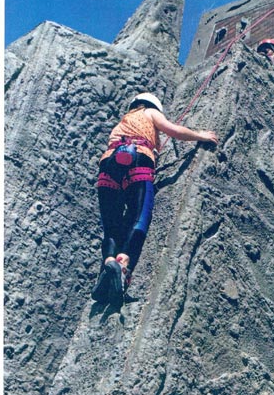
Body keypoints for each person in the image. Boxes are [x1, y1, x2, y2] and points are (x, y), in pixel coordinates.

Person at [91, 92, 218, 307]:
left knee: (111, 226)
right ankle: (123, 264)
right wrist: (201, 136)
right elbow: (174, 131)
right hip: (138, 160)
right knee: (138, 217)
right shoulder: (149, 112)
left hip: (108, 165)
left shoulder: (122, 124)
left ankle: (109, 262)